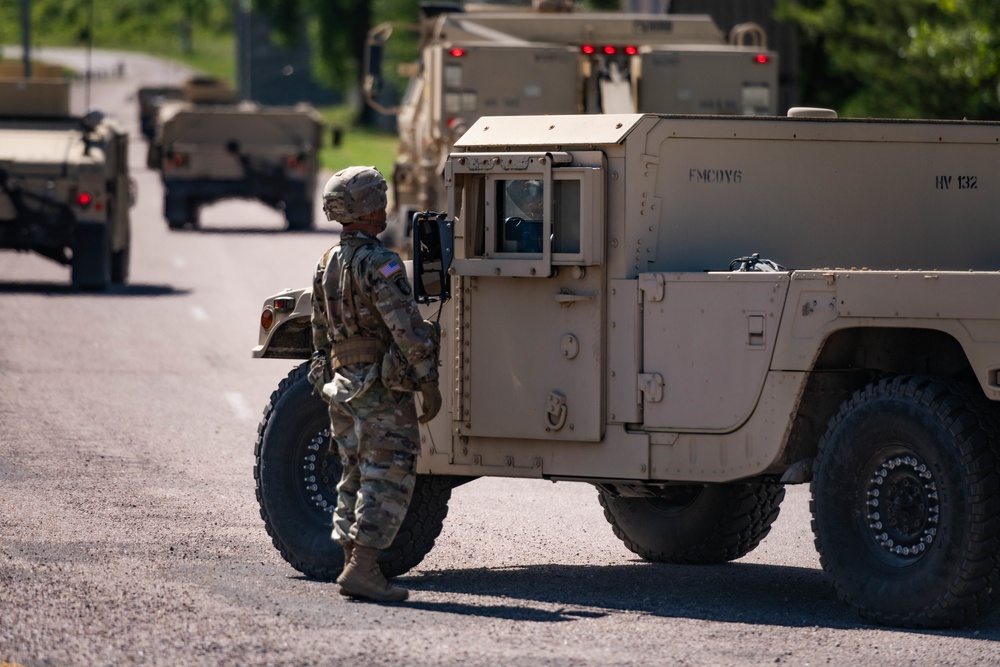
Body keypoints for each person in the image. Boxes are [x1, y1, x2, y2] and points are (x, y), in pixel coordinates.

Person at [308, 166, 441, 602]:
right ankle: (363, 568)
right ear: (367, 208)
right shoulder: (379, 262)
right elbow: (405, 327)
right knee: (389, 474)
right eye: (380, 199)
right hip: (379, 389)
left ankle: (353, 562)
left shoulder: (327, 263)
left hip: (342, 385)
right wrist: (428, 381)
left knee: (354, 472)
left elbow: (319, 332)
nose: (385, 207)